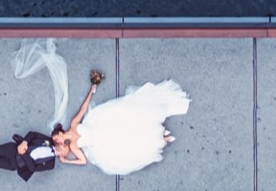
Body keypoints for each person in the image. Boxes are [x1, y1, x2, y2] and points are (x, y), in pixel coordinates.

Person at [53, 73, 189, 176]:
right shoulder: (73, 146)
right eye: (57, 143)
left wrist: (91, 91)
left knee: (131, 120)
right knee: (130, 139)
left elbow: (83, 109)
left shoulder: (73, 124)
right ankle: (161, 137)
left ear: (59, 133)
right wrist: (67, 161)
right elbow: (83, 161)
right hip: (105, 142)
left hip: (104, 125)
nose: (58, 142)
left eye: (56, 140)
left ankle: (160, 130)